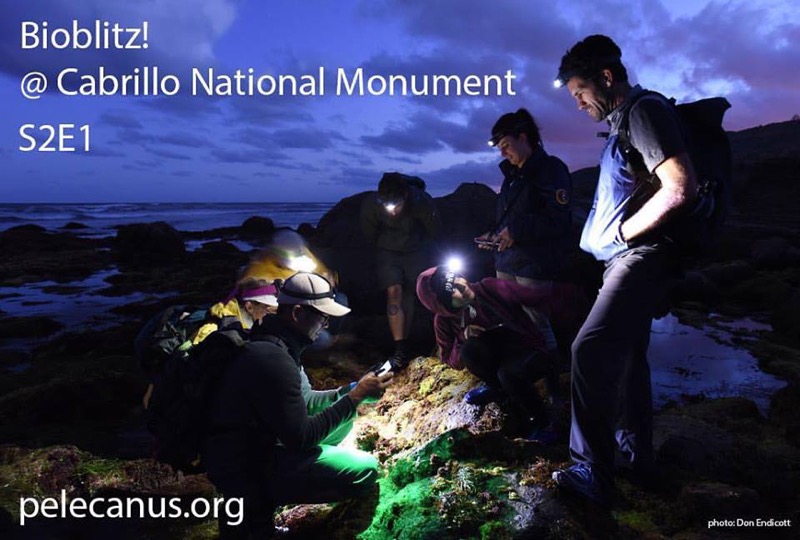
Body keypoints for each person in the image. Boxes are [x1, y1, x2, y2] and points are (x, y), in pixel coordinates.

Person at [551, 35, 697, 506]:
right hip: (627, 258)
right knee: (631, 361)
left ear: (606, 78)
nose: (577, 104)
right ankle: (637, 460)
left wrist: (624, 236)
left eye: (579, 92)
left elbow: (679, 188)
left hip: (641, 257)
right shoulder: (621, 123)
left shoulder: (644, 111)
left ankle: (593, 472)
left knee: (588, 352)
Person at [204, 272, 393, 538]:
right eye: (321, 315)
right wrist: (355, 398)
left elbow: (304, 401)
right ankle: (257, 508)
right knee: (364, 468)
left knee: (343, 424)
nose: (326, 323)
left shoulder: (280, 347)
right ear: (297, 313)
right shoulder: (273, 358)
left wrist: (348, 390)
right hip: (245, 467)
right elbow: (300, 438)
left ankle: (258, 509)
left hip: (252, 450)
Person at [416, 265, 586, 443]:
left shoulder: (488, 289)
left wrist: (576, 296)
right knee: (470, 351)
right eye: (451, 291)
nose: (461, 286)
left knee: (508, 374)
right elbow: (450, 360)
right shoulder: (444, 321)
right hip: (500, 358)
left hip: (529, 350)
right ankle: (497, 389)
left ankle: (544, 423)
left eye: (457, 277)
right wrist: (462, 338)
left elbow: (534, 295)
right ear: (441, 304)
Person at [360, 172, 440, 370]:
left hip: (416, 249)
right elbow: (369, 232)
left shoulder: (422, 202)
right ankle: (400, 348)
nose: (393, 211)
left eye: (397, 205)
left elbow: (435, 230)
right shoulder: (372, 204)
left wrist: (427, 253)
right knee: (393, 291)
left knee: (413, 294)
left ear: (405, 196)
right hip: (388, 251)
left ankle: (426, 339)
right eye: (388, 205)